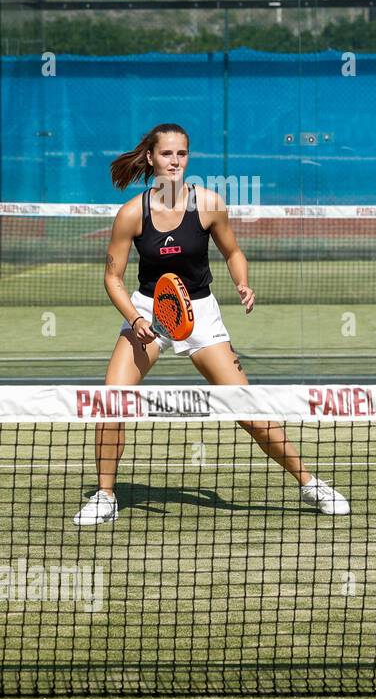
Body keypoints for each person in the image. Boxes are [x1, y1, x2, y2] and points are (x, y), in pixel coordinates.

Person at [72, 123, 350, 525]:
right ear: (151, 158)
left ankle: (310, 484)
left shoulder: (209, 204)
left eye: (181, 154)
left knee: (247, 408)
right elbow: (112, 278)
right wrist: (135, 318)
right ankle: (105, 495)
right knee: (112, 401)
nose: (174, 161)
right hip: (149, 311)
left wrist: (242, 282)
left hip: (200, 312)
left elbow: (234, 251)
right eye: (166, 154)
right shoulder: (132, 213)